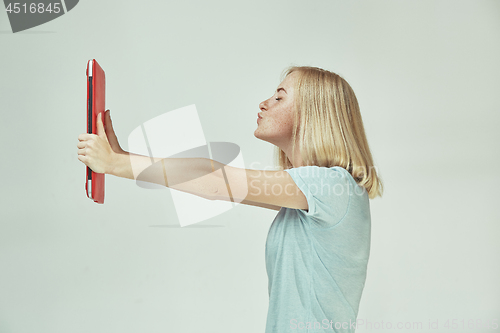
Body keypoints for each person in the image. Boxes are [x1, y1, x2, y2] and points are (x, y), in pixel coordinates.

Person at [77, 65, 383, 332]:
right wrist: (122, 158)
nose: (264, 104)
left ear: (314, 113)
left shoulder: (331, 185)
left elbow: (215, 181)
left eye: (279, 97)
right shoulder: (309, 198)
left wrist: (118, 165)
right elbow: (215, 180)